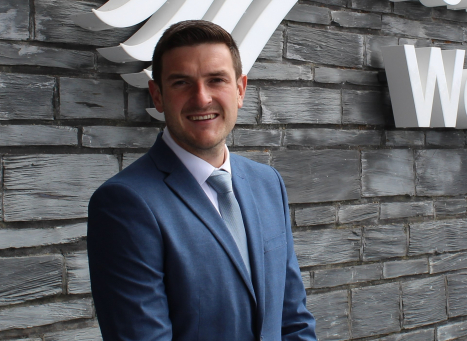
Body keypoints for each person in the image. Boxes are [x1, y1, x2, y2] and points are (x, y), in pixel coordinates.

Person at [87, 20, 316, 341]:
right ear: (158, 96)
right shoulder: (124, 203)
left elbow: (294, 319)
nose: (202, 97)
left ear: (240, 90)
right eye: (181, 82)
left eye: (216, 80)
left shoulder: (268, 183)